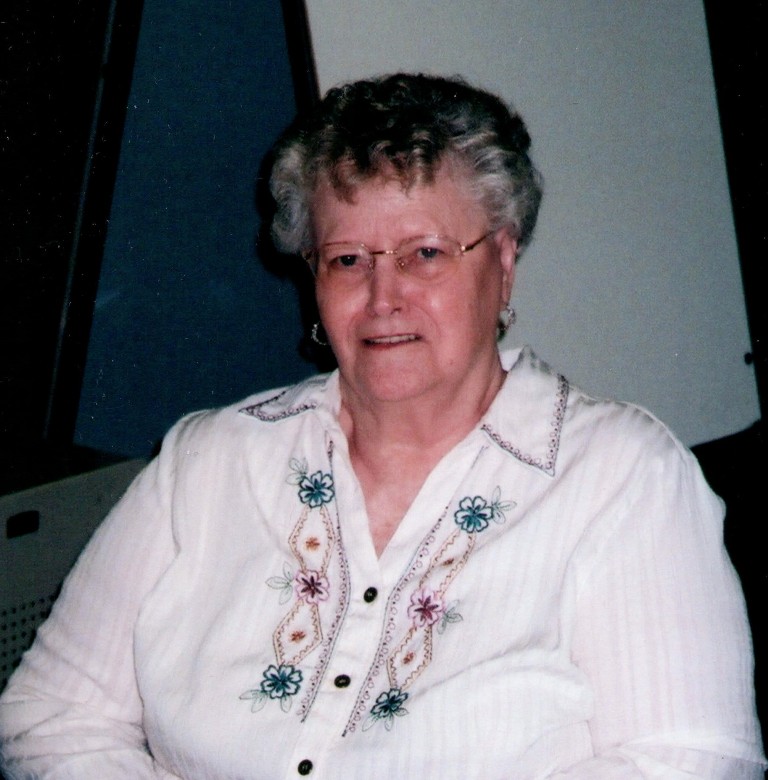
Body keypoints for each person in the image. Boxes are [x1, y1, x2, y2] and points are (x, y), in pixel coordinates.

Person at [0, 72, 764, 779]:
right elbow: (48, 714)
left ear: (503, 260)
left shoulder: (624, 476)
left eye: (424, 253)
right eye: (347, 260)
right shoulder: (207, 462)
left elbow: (692, 760)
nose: (383, 297)